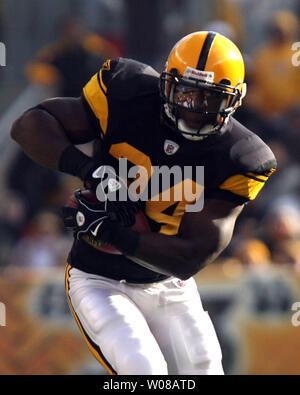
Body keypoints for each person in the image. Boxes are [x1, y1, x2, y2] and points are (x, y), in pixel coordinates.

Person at [11, 31, 276, 375]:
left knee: (204, 368)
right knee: (143, 369)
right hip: (98, 278)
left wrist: (111, 232)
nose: (193, 110)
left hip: (168, 283)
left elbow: (191, 257)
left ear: (235, 101)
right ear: (165, 82)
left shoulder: (241, 156)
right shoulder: (127, 91)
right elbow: (29, 125)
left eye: (208, 99)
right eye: (185, 92)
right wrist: (88, 170)